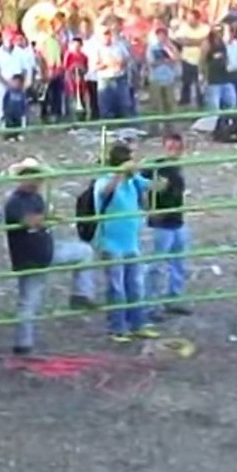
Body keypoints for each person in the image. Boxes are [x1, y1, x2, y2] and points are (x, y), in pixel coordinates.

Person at [2, 159, 96, 354]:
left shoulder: (34, 198)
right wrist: (48, 218)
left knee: (29, 300)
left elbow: (37, 219)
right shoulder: (15, 201)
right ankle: (80, 294)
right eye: (35, 176)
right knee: (29, 300)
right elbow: (28, 221)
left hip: (43, 250)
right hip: (32, 255)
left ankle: (23, 343)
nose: (39, 181)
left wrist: (50, 218)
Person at [94, 144, 160, 343]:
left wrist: (161, 172)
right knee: (117, 287)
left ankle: (137, 324)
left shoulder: (134, 181)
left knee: (135, 285)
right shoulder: (104, 180)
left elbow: (154, 187)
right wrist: (120, 174)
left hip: (131, 242)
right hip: (110, 243)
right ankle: (117, 328)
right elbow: (104, 192)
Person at [142, 133, 192, 320]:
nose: (174, 152)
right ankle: (150, 306)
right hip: (161, 224)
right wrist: (148, 210)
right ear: (164, 147)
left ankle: (173, 298)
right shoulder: (156, 167)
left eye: (177, 148)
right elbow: (139, 186)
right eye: (171, 148)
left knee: (178, 264)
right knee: (155, 267)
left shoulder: (176, 168)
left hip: (177, 221)